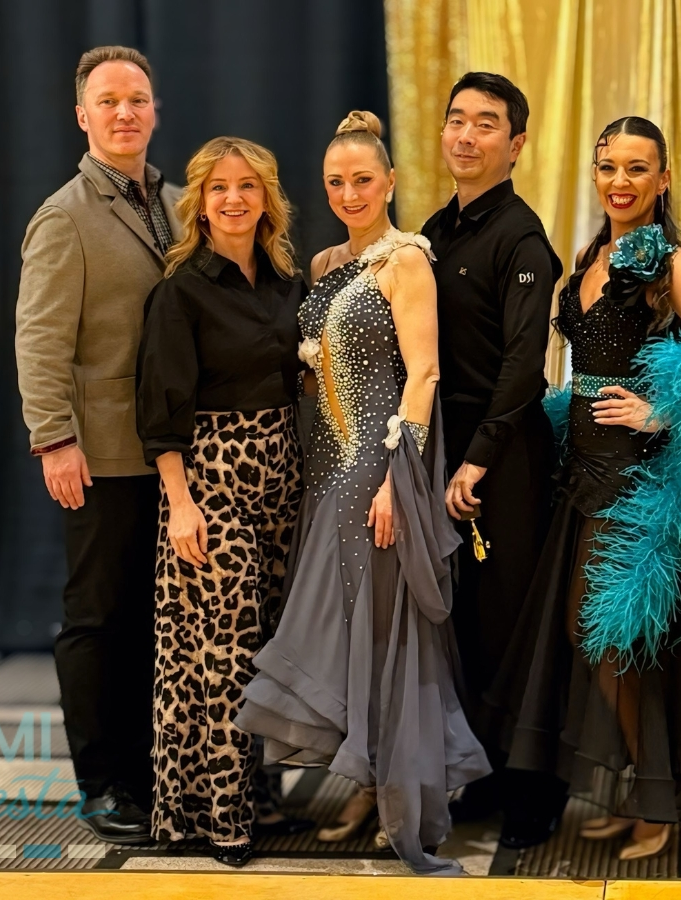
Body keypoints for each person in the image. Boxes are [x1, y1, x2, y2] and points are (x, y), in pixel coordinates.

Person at [487, 115, 681, 861]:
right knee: (592, 638)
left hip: (629, 475)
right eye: (607, 167)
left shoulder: (668, 261)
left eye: (636, 169)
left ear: (661, 180)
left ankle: (661, 801)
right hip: (578, 468)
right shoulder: (593, 252)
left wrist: (661, 411)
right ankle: (640, 789)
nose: (619, 181)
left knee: (614, 642)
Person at [235, 111, 490, 876]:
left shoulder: (406, 261)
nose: (349, 193)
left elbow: (425, 374)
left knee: (385, 632)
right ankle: (365, 782)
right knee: (347, 634)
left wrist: (396, 478)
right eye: (335, 182)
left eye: (363, 180)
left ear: (391, 183)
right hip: (326, 477)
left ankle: (399, 800)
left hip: (376, 474)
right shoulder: (322, 266)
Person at [15, 45, 181, 844]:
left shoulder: (180, 203)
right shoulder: (64, 215)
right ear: (83, 116)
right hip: (103, 453)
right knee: (98, 618)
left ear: (155, 111)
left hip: (174, 455)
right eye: (109, 101)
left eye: (138, 100)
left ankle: (154, 770)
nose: (125, 113)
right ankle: (101, 781)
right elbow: (40, 341)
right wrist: (55, 440)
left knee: (160, 620)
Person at [135, 137, 306, 867]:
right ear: (198, 203)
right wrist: (181, 503)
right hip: (210, 479)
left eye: (247, 186)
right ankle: (218, 814)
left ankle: (259, 791)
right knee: (220, 653)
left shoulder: (283, 281)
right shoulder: (180, 291)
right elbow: (161, 409)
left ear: (268, 198)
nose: (233, 199)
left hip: (282, 479)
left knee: (266, 648)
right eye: (218, 188)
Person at [419, 72, 566, 848]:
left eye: (486, 124)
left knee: (513, 625)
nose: (466, 135)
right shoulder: (435, 230)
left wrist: (477, 459)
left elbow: (523, 363)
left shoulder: (521, 236)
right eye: (456, 120)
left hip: (501, 456)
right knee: (463, 624)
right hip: (443, 448)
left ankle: (532, 794)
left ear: (515, 144)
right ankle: (478, 773)